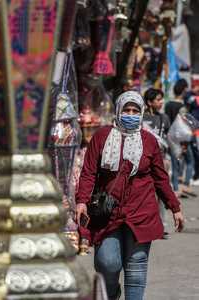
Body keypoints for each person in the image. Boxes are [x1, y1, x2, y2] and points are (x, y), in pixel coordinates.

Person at [76, 91, 184, 300]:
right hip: (108, 214)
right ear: (118, 110)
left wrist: (175, 208)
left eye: (135, 111)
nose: (131, 114)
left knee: (136, 268)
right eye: (127, 110)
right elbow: (88, 172)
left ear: (142, 112)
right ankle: (112, 291)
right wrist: (81, 201)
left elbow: (161, 178)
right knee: (107, 262)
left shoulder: (149, 141)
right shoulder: (102, 136)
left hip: (141, 212)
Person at [143, 88, 171, 239]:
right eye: (158, 99)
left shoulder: (164, 118)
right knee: (147, 193)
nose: (161, 102)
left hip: (161, 160)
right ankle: (147, 225)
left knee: (162, 192)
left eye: (162, 99)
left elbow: (168, 138)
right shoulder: (141, 118)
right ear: (149, 102)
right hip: (145, 161)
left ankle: (161, 225)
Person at [165, 79, 195, 197]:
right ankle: (186, 185)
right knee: (189, 161)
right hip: (182, 138)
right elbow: (185, 124)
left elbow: (167, 121)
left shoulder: (168, 105)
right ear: (183, 90)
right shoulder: (183, 106)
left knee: (175, 164)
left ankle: (176, 188)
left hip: (172, 138)